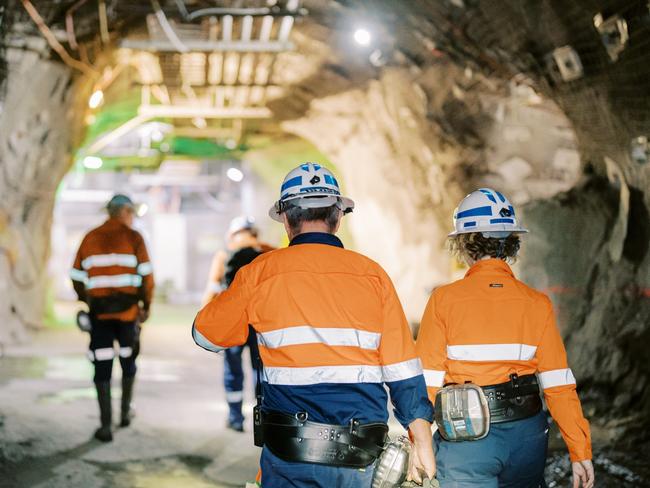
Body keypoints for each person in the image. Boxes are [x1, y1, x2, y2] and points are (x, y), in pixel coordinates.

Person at [193, 163, 435, 487]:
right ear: (337, 218)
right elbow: (402, 369)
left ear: (287, 220)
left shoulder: (260, 272)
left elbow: (206, 335)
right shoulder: (373, 276)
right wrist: (422, 439)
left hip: (288, 453)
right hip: (361, 457)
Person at [415, 188, 594, 488]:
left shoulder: (444, 300)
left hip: (466, 441)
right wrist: (580, 451)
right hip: (526, 440)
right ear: (511, 243)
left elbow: (425, 383)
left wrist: (417, 444)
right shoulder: (536, 303)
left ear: (465, 244)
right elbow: (559, 386)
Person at [70, 194, 154, 442]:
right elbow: (147, 276)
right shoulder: (134, 237)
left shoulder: (90, 237)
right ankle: (125, 413)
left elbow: (75, 274)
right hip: (128, 315)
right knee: (129, 360)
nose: (133, 218)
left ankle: (105, 426)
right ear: (125, 212)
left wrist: (88, 300)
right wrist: (145, 305)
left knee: (102, 364)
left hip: (100, 316)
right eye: (132, 213)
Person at [202, 216, 274, 432]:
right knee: (261, 371)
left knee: (233, 370)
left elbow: (214, 290)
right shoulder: (270, 252)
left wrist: (208, 322)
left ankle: (235, 418)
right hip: (262, 323)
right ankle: (263, 418)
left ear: (233, 234)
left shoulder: (224, 255)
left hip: (235, 323)